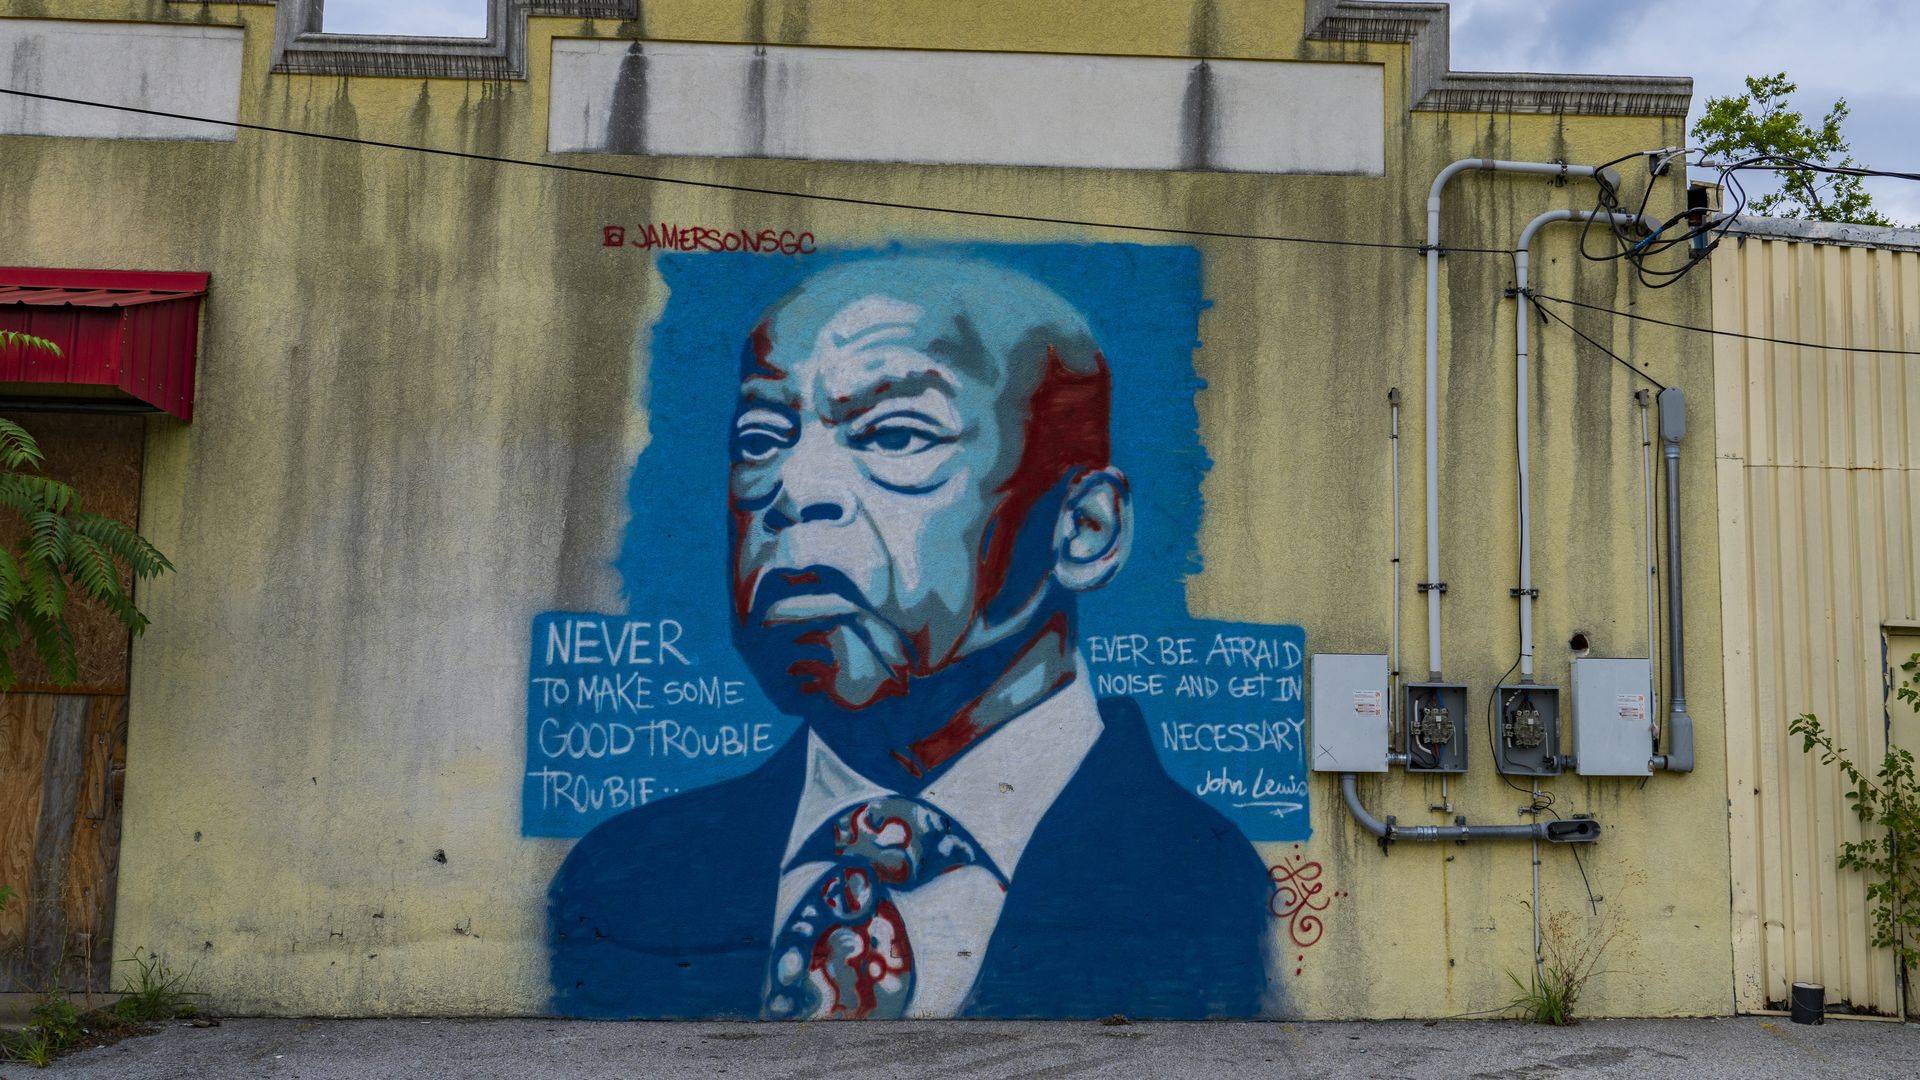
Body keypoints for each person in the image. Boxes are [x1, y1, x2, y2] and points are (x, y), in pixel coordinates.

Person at [548, 256, 1274, 1020]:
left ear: (1085, 530)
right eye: (763, 438)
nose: (797, 490)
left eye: (895, 433)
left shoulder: (1221, 887)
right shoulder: (620, 879)